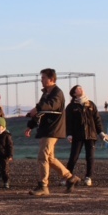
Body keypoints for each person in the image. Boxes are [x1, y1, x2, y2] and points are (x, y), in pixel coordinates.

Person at [25, 68, 82, 196]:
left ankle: (43, 186)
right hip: (47, 129)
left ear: (51, 79)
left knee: (43, 156)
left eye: (44, 77)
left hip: (52, 129)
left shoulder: (57, 93)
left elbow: (50, 106)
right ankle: (70, 177)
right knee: (49, 158)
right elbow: (41, 111)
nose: (41, 80)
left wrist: (37, 108)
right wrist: (31, 125)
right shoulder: (46, 93)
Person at [64, 84, 106, 187]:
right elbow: (68, 121)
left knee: (90, 157)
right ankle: (67, 177)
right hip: (77, 135)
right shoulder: (71, 107)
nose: (81, 89)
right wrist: (69, 134)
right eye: (78, 88)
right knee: (73, 157)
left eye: (81, 88)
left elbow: (97, 119)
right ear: (74, 93)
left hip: (91, 135)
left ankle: (88, 177)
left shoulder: (91, 104)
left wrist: (101, 132)